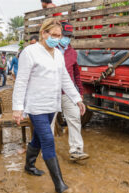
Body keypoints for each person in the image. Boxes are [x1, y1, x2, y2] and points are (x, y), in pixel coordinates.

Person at [13, 18, 85, 193]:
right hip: (36, 106)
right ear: (43, 33)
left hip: (52, 105)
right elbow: (21, 82)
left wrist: (77, 98)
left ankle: (29, 165)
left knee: (38, 138)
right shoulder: (30, 52)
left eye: (59, 36)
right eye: (53, 35)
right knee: (47, 139)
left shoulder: (58, 55)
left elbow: (65, 80)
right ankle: (60, 185)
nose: (57, 39)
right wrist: (17, 108)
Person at [58, 22, 89, 161]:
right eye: (65, 35)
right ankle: (43, 150)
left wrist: (80, 92)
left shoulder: (72, 53)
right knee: (48, 123)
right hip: (50, 93)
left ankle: (76, 150)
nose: (67, 38)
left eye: (69, 36)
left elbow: (76, 74)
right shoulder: (50, 50)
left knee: (75, 118)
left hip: (68, 93)